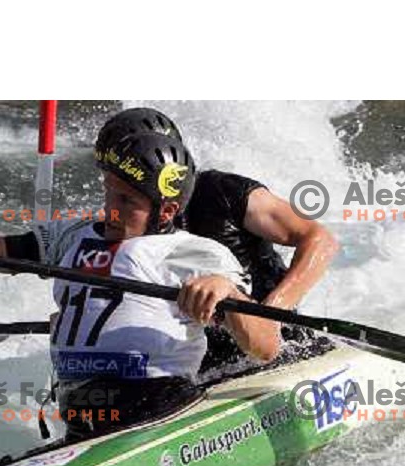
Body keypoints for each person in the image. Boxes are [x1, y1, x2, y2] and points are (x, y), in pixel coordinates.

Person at [0, 132, 280, 440]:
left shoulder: (194, 252)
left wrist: (224, 291)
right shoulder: (72, 234)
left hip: (157, 406)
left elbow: (265, 346)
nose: (112, 209)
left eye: (127, 201)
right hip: (80, 414)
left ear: (166, 212)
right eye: (109, 193)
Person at [96, 107, 339, 369]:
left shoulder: (223, 192)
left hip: (274, 343)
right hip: (200, 358)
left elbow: (320, 240)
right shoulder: (120, 221)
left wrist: (272, 312)